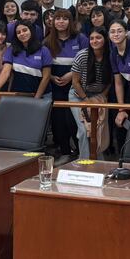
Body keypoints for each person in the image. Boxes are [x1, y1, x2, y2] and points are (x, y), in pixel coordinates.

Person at [44, 9, 88, 155]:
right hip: (55, 85)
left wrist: (72, 75)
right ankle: (64, 151)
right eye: (57, 19)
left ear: (70, 22)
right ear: (53, 22)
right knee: (58, 120)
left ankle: (80, 151)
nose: (61, 22)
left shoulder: (80, 39)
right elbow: (43, 66)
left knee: (74, 120)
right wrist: (51, 77)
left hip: (75, 85)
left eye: (65, 19)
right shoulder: (47, 41)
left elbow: (88, 61)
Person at [70, 27, 114, 159]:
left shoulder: (111, 56)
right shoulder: (83, 55)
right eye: (92, 38)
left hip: (99, 96)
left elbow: (111, 81)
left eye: (98, 38)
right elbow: (75, 82)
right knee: (84, 130)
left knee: (98, 130)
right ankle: (84, 162)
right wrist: (85, 99)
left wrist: (101, 96)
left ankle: (98, 161)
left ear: (105, 40)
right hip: (79, 96)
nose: (94, 41)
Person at [0, 21, 51, 98]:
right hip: (17, 95)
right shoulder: (12, 49)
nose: (22, 34)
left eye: (25, 30)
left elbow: (46, 77)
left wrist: (37, 98)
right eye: (18, 32)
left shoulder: (44, 50)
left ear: (31, 30)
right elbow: (5, 71)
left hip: (41, 95)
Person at [109, 19, 130, 148]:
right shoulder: (113, 53)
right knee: (120, 122)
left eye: (119, 31)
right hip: (128, 89)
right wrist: (121, 109)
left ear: (126, 33)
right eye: (112, 32)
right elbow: (118, 83)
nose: (116, 34)